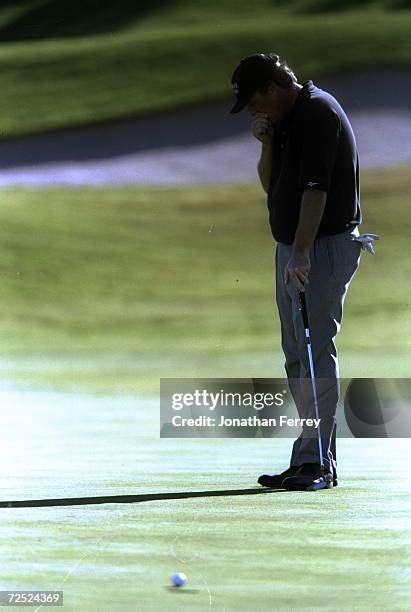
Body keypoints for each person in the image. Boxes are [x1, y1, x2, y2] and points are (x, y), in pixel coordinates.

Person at [229, 53, 365, 491]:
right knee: (295, 354)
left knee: (315, 351)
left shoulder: (317, 113)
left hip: (320, 248)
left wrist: (302, 251)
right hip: (294, 248)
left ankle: (321, 465)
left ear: (273, 87)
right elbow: (273, 186)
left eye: (254, 104)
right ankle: (307, 457)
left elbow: (316, 191)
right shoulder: (287, 122)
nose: (255, 113)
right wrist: (266, 144)